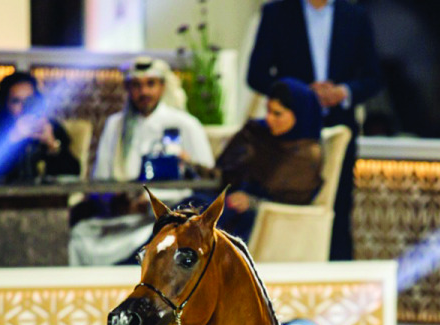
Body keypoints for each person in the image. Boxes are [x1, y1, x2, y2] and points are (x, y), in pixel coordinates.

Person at [247, 0, 383, 260]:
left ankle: (337, 282)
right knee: (283, 204)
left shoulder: (354, 15)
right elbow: (256, 74)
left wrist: (343, 92)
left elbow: (374, 77)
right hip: (289, 134)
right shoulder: (277, 13)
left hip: (339, 126)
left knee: (339, 208)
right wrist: (299, 94)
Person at [70, 57, 214, 266]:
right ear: (128, 88)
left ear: (162, 86)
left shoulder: (185, 125)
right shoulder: (115, 126)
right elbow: (100, 180)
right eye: (136, 85)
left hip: (169, 219)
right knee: (80, 237)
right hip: (123, 217)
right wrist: (120, 199)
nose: (144, 92)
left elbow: (208, 181)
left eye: (150, 84)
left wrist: (186, 163)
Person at [193, 78, 323, 242]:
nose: (269, 119)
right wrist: (191, 166)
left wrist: (254, 202)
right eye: (268, 111)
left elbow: (293, 198)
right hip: (226, 202)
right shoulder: (257, 134)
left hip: (256, 218)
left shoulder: (306, 154)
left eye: (277, 113)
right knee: (191, 205)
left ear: (300, 114)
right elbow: (225, 173)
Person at [0, 71, 80, 183]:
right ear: (6, 104)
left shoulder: (51, 127)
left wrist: (52, 145)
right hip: (2, 199)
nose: (24, 107)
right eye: (16, 101)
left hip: (46, 198)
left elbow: (74, 174)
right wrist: (11, 139)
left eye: (29, 101)